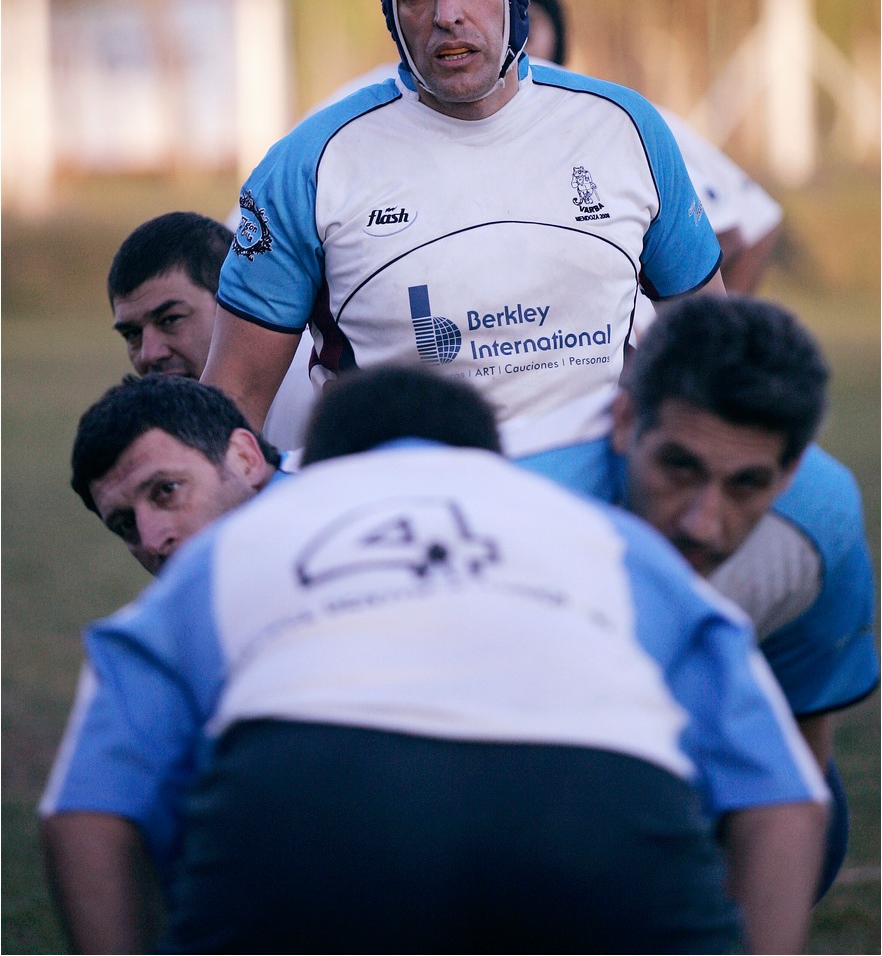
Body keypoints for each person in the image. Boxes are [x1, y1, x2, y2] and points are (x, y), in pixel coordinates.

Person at [41, 364, 828, 954]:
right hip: (598, 814)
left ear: (328, 465)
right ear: (487, 463)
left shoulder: (226, 556)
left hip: (301, 824)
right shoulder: (606, 538)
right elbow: (788, 799)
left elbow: (83, 813)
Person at [201, 0, 727, 504]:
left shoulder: (624, 128)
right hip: (407, 533)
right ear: (393, 14)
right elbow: (228, 407)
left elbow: (715, 353)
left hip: (598, 523)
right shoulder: (310, 165)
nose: (446, 13)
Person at [609, 292, 879, 896]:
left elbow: (799, 754)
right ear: (626, 422)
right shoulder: (538, 505)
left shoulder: (818, 524)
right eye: (679, 467)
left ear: (791, 472)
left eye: (746, 484)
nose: (703, 522)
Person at [524, 0, 783, 297]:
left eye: (529, 26)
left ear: (559, 35)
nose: (519, 45)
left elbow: (732, 230)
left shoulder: (620, 120)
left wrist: (709, 338)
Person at [108, 210, 314, 451]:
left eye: (170, 320)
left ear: (236, 305)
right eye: (132, 334)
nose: (148, 355)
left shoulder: (309, 397)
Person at [69, 374, 296, 574]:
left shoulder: (328, 501)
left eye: (167, 490)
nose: (152, 542)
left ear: (244, 458)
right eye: (126, 525)